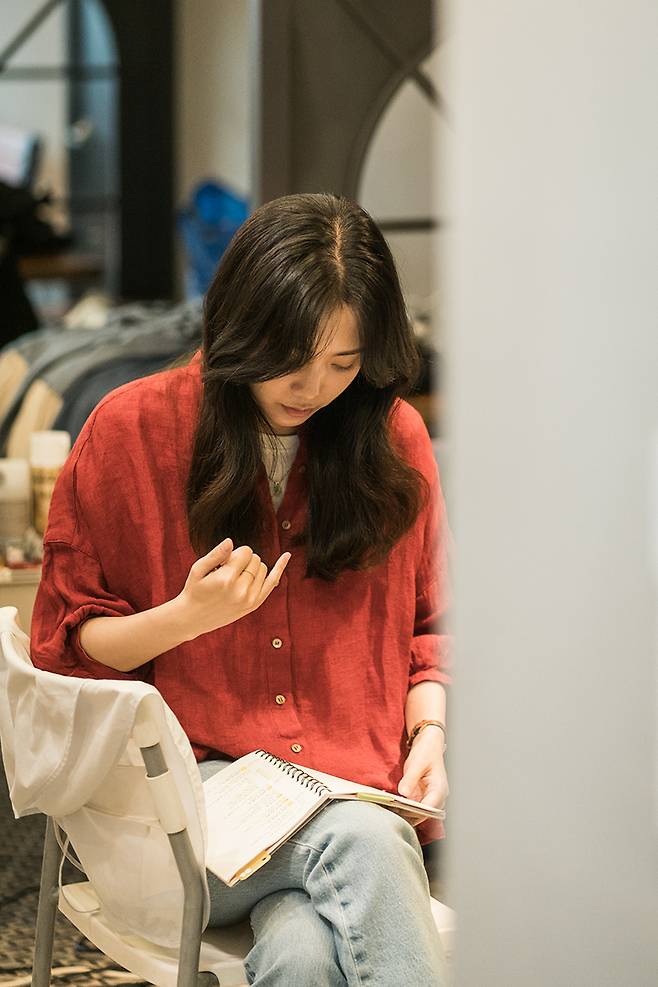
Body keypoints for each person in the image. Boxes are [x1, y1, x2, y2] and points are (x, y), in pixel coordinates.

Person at [30, 192, 452, 986]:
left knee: (302, 953)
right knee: (362, 840)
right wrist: (184, 618)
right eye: (291, 356)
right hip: (181, 810)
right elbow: (65, 652)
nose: (313, 387)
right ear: (241, 324)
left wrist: (429, 733)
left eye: (344, 363)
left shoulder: (391, 439)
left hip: (349, 786)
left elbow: (433, 627)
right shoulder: (130, 431)